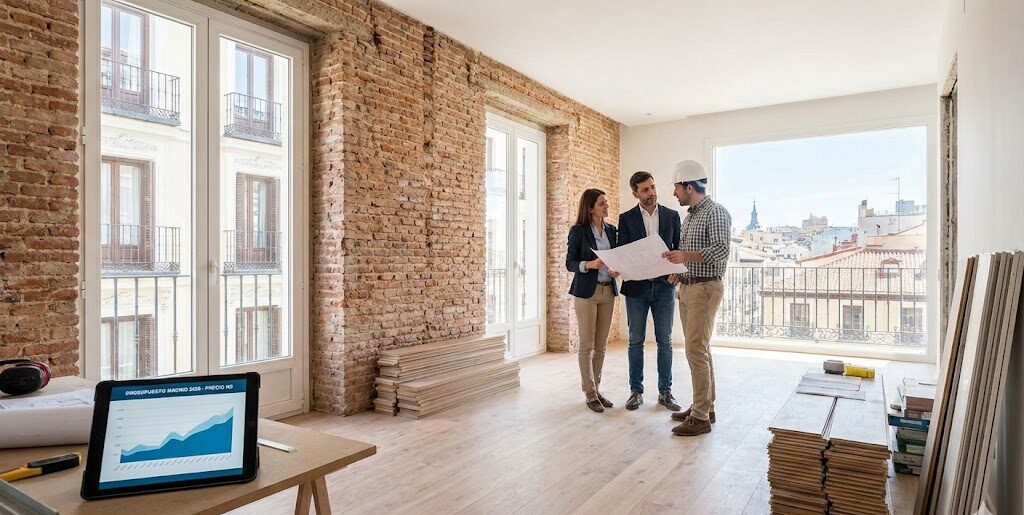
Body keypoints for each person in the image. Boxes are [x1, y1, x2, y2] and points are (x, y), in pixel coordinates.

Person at [662, 160, 732, 436]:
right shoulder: (690, 215)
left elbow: (720, 251)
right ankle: (704, 407)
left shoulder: (715, 212)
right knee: (700, 349)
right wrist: (679, 272)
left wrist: (685, 257)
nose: (674, 193)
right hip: (689, 286)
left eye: (677, 187)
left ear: (689, 186)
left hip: (705, 289)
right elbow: (692, 254)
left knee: (695, 349)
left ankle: (701, 417)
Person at [617, 171, 682, 412]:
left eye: (653, 187)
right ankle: (636, 391)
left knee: (665, 341)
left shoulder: (672, 216)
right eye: (645, 189)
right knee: (636, 341)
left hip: (665, 287)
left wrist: (678, 272)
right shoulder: (626, 219)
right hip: (636, 288)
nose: (651, 193)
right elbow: (622, 251)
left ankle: (665, 392)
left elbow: (679, 248)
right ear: (635, 193)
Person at [566, 189, 620, 412]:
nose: (606, 207)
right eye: (601, 204)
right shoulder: (578, 231)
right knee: (587, 345)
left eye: (606, 203)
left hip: (608, 292)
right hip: (586, 293)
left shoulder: (612, 231)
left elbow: (617, 257)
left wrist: (617, 269)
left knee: (601, 345)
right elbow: (570, 263)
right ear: (590, 208)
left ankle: (597, 390)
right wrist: (589, 265)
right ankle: (589, 393)